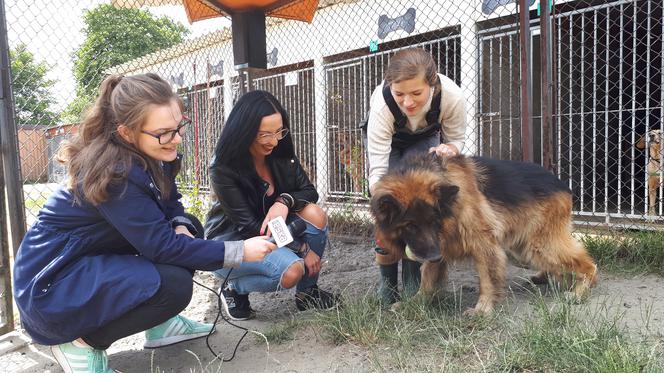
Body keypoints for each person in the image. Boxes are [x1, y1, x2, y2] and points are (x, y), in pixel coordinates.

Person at [12, 73, 276, 373]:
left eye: (179, 127)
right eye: (164, 132)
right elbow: (163, 249)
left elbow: (171, 199)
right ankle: (79, 345)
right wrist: (239, 251)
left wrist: (178, 223)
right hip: (52, 284)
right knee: (173, 287)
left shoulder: (152, 149)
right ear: (126, 132)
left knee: (190, 226)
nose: (176, 138)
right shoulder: (115, 172)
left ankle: (160, 325)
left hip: (88, 259)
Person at [204, 90, 338, 320]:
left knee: (314, 214)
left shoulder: (281, 154)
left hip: (272, 233)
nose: (274, 141)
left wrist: (284, 201)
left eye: (279, 131)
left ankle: (308, 294)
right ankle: (233, 288)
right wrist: (302, 249)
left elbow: (309, 192)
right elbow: (252, 227)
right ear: (244, 132)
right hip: (233, 244)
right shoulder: (223, 167)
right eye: (264, 134)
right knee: (292, 270)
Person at [365, 48, 467, 304]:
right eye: (400, 94)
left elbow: (456, 140)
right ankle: (387, 284)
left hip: (424, 139)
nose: (408, 103)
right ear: (390, 86)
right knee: (387, 210)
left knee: (419, 211)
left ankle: (413, 281)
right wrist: (383, 204)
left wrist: (449, 149)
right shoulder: (382, 106)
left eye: (416, 93)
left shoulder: (451, 96)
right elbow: (377, 170)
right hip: (389, 142)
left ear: (431, 84)